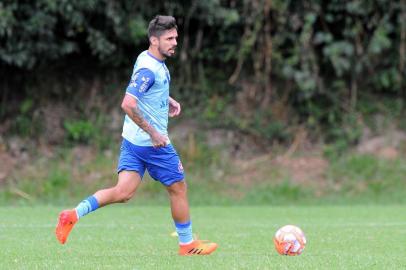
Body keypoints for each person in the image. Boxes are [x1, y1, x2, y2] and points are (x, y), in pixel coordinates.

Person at [55, 15, 217, 256]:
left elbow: (140, 91)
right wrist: (153, 133)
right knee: (179, 188)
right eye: (169, 39)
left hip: (132, 141)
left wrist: (166, 100)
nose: (174, 43)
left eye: (175, 38)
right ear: (154, 40)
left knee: (123, 192)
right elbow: (128, 103)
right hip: (151, 144)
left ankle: (73, 214)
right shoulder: (149, 69)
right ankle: (187, 245)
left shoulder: (146, 58)